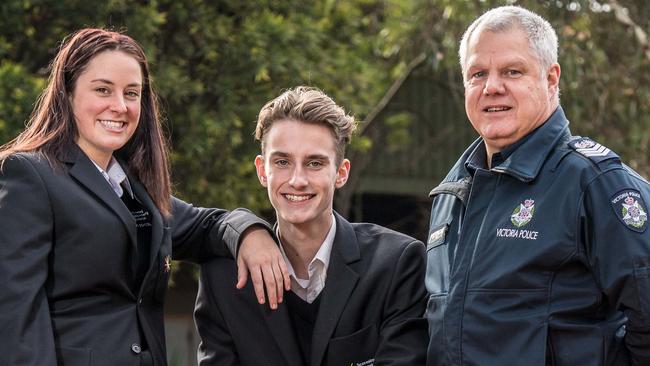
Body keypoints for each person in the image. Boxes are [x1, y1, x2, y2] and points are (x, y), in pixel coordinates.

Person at [0, 28, 290, 366]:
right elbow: (14, 310)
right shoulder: (30, 175)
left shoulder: (135, 190)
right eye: (103, 90)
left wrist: (251, 233)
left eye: (132, 93)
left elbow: (206, 226)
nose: (120, 106)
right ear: (67, 93)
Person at [425, 5, 650, 365]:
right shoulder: (452, 193)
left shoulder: (595, 183)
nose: (492, 87)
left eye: (512, 72)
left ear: (551, 78)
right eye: (477, 74)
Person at [194, 86, 429, 366]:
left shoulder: (396, 265)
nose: (297, 179)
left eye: (314, 163)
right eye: (282, 162)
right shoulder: (224, 277)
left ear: (341, 173)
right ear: (261, 171)